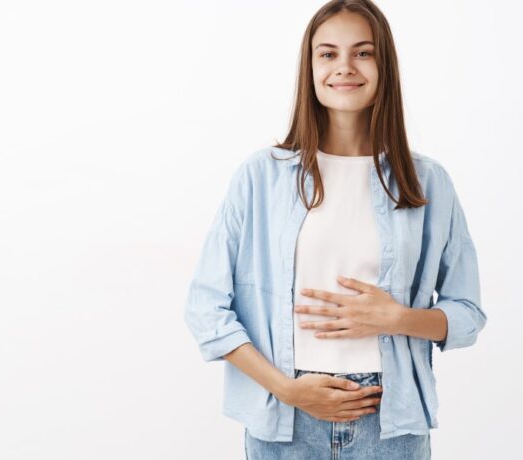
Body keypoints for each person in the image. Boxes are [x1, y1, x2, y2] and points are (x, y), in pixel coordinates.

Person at [182, 0, 487, 458]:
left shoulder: (426, 183)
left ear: (384, 65)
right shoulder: (260, 176)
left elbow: (467, 314)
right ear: (310, 68)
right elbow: (206, 310)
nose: (344, 67)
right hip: (286, 419)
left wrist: (397, 318)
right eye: (327, 54)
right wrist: (287, 390)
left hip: (389, 421)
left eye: (362, 53)